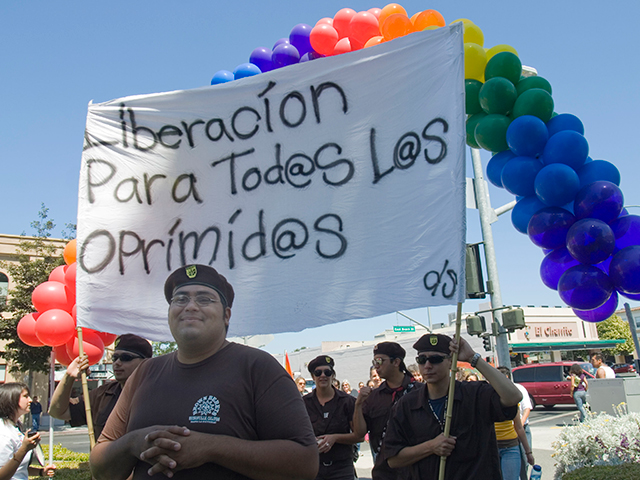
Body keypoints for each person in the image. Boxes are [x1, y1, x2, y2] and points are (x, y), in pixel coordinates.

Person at [90, 264, 318, 480]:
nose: (190, 306)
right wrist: (133, 443)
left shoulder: (258, 367)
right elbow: (100, 469)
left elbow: (306, 463)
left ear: (226, 315)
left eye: (204, 299)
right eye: (180, 299)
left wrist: (211, 448)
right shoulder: (144, 373)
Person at [383, 334, 522, 480]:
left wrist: (472, 358)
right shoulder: (407, 405)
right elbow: (393, 459)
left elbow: (513, 397)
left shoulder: (475, 394)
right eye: (422, 360)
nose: (428, 366)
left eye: (435, 359)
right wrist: (431, 447)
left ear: (450, 362)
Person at [49, 333, 153, 439]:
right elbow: (58, 412)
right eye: (114, 358)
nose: (117, 363)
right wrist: (69, 376)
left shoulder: (157, 394)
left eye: (125, 358)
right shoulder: (102, 394)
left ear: (146, 362)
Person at [353, 342, 423, 480]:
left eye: (380, 361)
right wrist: (358, 404)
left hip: (417, 469)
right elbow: (360, 433)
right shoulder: (373, 397)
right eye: (374, 361)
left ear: (396, 362)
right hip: (384, 471)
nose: (376, 365)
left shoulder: (420, 391)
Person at [303, 356, 362, 480]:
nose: (323, 376)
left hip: (341, 467)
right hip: (314, 466)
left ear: (333, 376)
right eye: (318, 373)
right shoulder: (303, 403)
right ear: (313, 377)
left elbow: (359, 436)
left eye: (327, 372)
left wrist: (335, 438)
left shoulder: (347, 402)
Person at [0, 383, 56, 479]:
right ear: (11, 399)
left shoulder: (15, 427)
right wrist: (24, 449)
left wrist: (41, 472)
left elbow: (17, 468)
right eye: (25, 396)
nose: (30, 400)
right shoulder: (3, 432)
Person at [494, 367, 534, 480]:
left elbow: (519, 427)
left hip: (510, 447)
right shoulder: (486, 397)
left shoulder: (512, 399)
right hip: (491, 447)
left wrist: (528, 452)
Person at [508, 371, 533, 480]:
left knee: (524, 460)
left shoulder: (518, 389)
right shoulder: (495, 391)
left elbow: (527, 408)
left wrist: (520, 424)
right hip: (506, 436)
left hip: (522, 428)